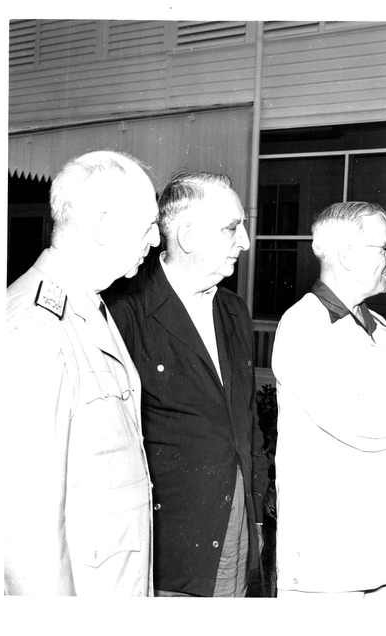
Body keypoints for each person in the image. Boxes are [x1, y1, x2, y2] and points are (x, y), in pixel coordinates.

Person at [272, 201, 386, 598]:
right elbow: (355, 422)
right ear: (347, 254)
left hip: (384, 545)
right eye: (384, 249)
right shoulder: (304, 325)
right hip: (330, 553)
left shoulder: (380, 328)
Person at [106, 171, 268, 597]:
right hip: (166, 552)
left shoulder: (234, 310)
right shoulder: (124, 313)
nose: (246, 242)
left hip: (236, 532)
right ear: (189, 235)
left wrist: (255, 520)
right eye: (233, 228)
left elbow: (247, 425)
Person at [5, 150, 160, 595]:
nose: (154, 240)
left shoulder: (89, 308)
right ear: (105, 227)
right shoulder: (35, 330)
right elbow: (26, 537)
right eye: (148, 225)